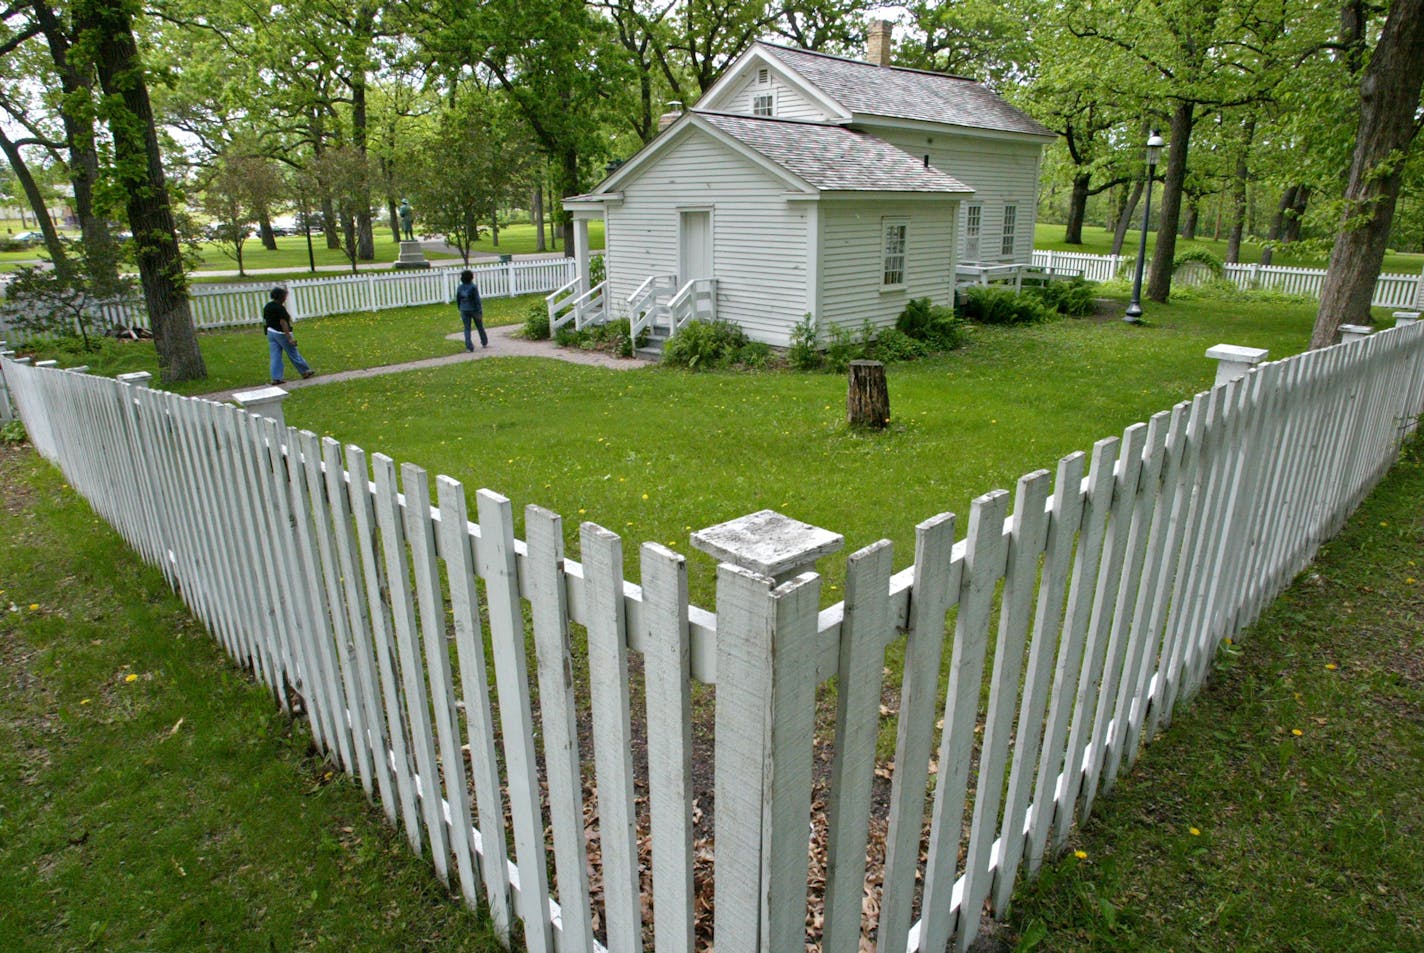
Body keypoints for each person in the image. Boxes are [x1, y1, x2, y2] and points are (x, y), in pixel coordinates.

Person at [263, 287, 315, 385]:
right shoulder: (280, 308)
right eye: (285, 295)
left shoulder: (268, 306)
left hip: (271, 332)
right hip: (281, 333)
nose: (286, 297)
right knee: (293, 353)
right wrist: (289, 338)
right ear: (281, 296)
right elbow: (283, 323)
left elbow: (265, 320)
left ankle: (276, 378)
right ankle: (304, 371)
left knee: (275, 355)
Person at [455, 269, 487, 350]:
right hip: (474, 309)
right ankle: (484, 341)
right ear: (471, 277)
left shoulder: (460, 287)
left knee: (467, 328)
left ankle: (469, 346)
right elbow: (477, 299)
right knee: (480, 326)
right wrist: (479, 309)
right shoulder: (473, 287)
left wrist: (460, 307)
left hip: (464, 309)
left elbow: (458, 299)